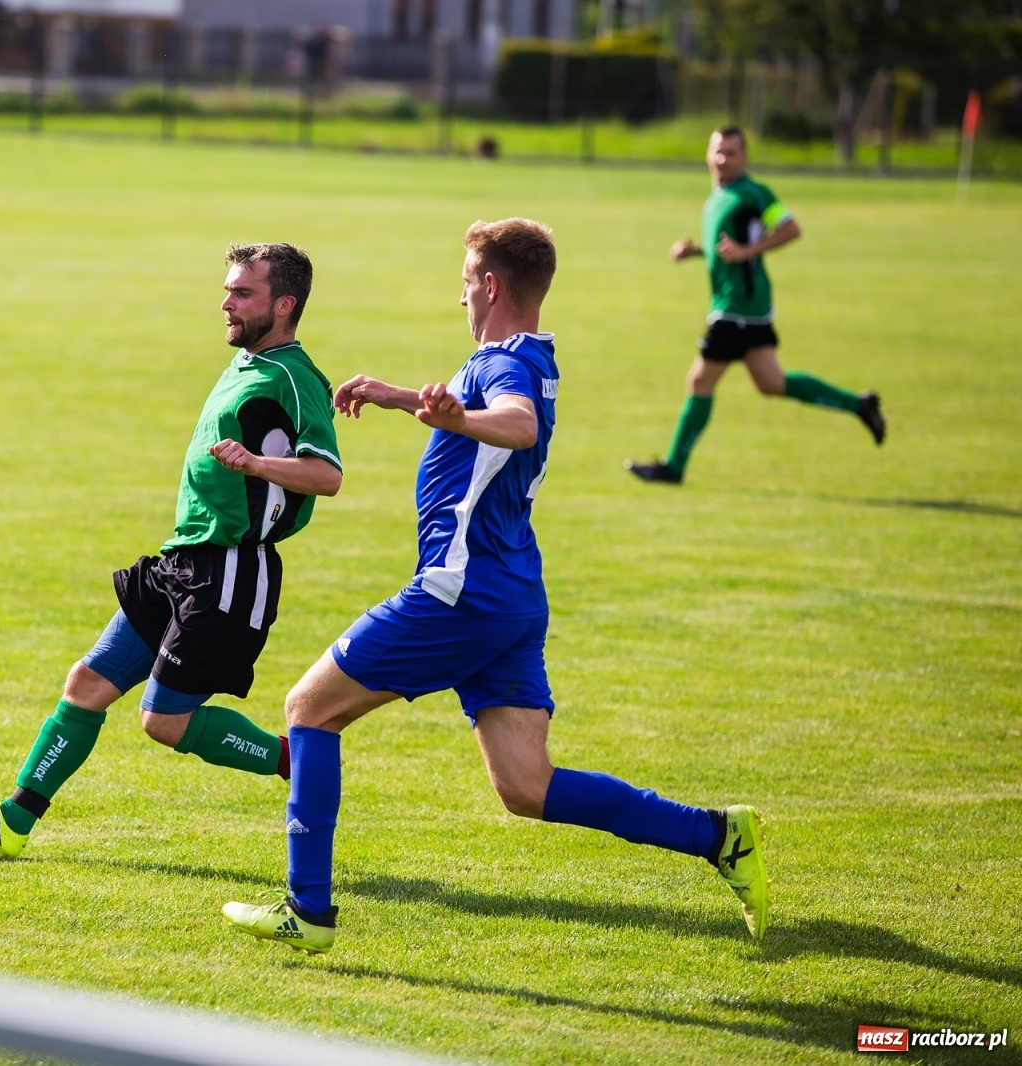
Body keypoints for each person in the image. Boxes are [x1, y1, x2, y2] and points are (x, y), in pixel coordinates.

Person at [221, 219, 769, 955]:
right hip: (510, 592)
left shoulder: (504, 371)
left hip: (458, 592)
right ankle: (717, 834)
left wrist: (462, 415)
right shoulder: (530, 355)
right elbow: (488, 413)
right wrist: (401, 398)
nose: (459, 299)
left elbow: (515, 423)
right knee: (526, 785)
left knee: (307, 711)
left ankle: (307, 908)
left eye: (464, 281)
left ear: (491, 285)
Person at [0, 243, 343, 858]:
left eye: (242, 293)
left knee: (164, 722)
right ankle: (15, 821)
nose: (226, 303)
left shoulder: (293, 376)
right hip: (181, 561)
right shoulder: (248, 362)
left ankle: (293, 759)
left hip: (230, 570)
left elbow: (327, 475)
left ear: (284, 305)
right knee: (87, 683)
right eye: (227, 289)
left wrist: (257, 463)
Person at [627, 126, 885, 485]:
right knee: (771, 382)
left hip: (738, 308)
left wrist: (749, 252)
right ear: (707, 154)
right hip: (747, 308)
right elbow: (728, 248)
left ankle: (674, 468)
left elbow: (791, 228)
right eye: (717, 151)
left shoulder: (754, 193)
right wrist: (695, 252)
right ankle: (859, 405)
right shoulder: (720, 195)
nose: (722, 159)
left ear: (745, 157)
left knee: (700, 381)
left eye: (731, 152)